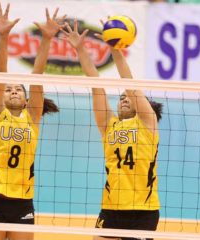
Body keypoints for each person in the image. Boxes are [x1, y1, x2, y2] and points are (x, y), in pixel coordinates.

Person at [61, 20, 163, 240]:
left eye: (128, 98)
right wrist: (80, 49)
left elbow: (130, 84)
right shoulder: (109, 125)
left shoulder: (147, 122)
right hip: (111, 207)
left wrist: (115, 50)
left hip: (143, 211)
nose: (124, 99)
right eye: (121, 98)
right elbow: (96, 84)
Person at [0, 3, 63, 240]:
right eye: (9, 90)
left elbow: (37, 77)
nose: (13, 91)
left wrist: (46, 39)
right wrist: (3, 36)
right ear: (2, 97)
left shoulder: (32, 117)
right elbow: (0, 74)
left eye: (18, 90)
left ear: (26, 100)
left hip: (23, 199)